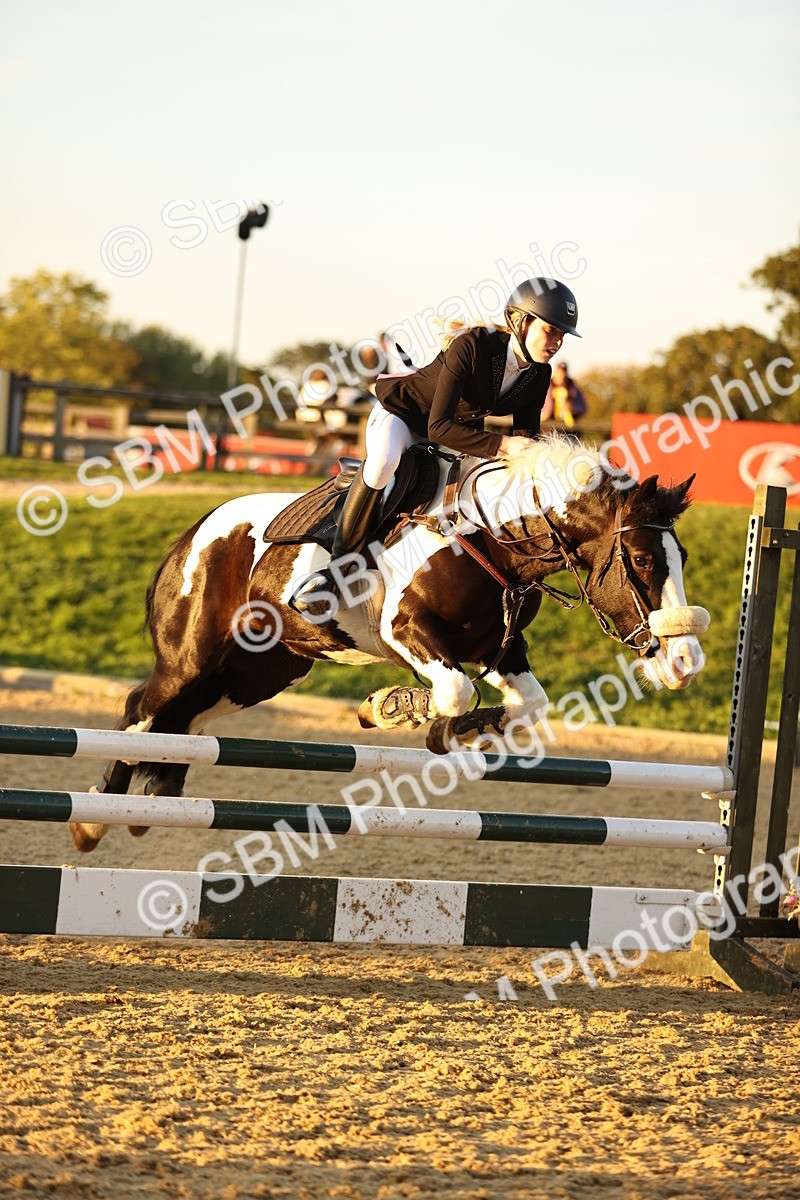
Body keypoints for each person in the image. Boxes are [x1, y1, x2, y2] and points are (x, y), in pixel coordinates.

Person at [292, 277, 581, 610]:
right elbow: (439, 426)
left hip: (459, 431)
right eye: (550, 330)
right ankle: (334, 571)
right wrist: (503, 446)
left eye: (563, 335)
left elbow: (524, 439)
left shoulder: (539, 374)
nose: (557, 342)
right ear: (521, 321)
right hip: (405, 416)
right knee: (384, 461)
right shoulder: (472, 345)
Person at [542, 361, 587, 429]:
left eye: (563, 372)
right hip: (547, 428)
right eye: (559, 372)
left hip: (568, 429)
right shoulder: (544, 387)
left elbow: (583, 408)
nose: (561, 375)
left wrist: (573, 408)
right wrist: (544, 414)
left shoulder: (574, 389)